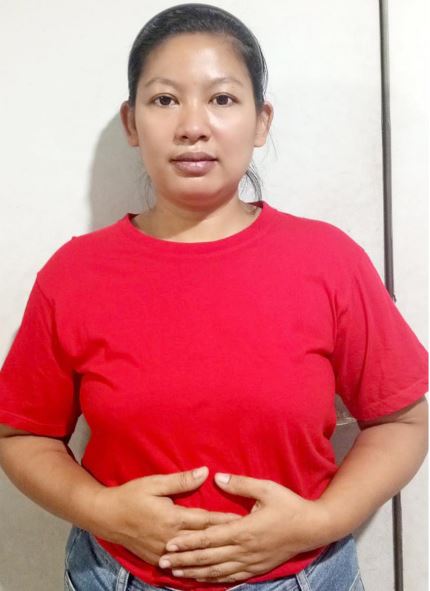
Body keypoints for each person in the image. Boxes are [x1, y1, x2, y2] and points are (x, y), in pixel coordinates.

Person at [0, 3, 428, 591]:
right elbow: (23, 434)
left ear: (261, 121)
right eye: (164, 99)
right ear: (131, 122)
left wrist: (323, 520)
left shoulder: (328, 260)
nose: (192, 126)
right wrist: (100, 511)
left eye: (222, 98)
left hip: (305, 577)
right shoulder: (74, 274)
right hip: (117, 575)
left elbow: (402, 421)